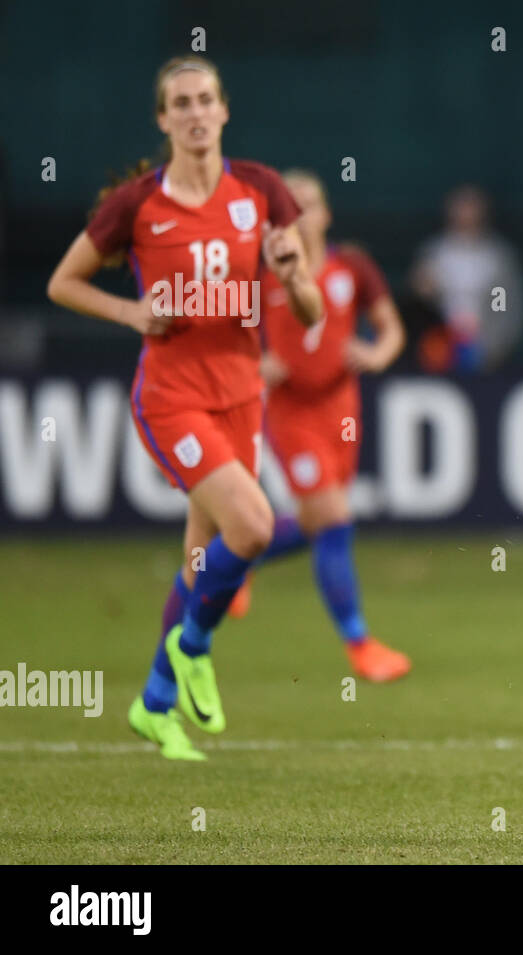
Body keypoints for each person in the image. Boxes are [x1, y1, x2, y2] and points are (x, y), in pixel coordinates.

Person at [46, 56, 323, 760]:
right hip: (172, 398)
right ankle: (192, 642)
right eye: (181, 103)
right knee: (255, 527)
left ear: (224, 110)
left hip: (240, 395)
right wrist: (132, 312)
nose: (196, 113)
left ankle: (154, 702)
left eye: (206, 99)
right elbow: (63, 282)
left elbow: (312, 310)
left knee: (204, 561)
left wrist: (294, 280)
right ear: (163, 119)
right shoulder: (137, 204)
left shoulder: (260, 190)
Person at [238, 169, 410, 682]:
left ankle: (235, 555)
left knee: (319, 523)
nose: (301, 215)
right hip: (289, 411)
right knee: (333, 520)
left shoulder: (351, 266)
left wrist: (378, 354)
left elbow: (391, 328)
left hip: (341, 407)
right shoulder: (258, 274)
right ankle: (360, 645)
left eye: (309, 205)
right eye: (290, 207)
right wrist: (256, 365)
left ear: (326, 214)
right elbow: (228, 340)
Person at [408, 185, 523, 371]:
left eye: (471, 207)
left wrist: (492, 347)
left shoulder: (497, 258)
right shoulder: (434, 253)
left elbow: (505, 308)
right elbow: (418, 300)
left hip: (483, 348)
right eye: (460, 207)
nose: (465, 214)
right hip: (438, 346)